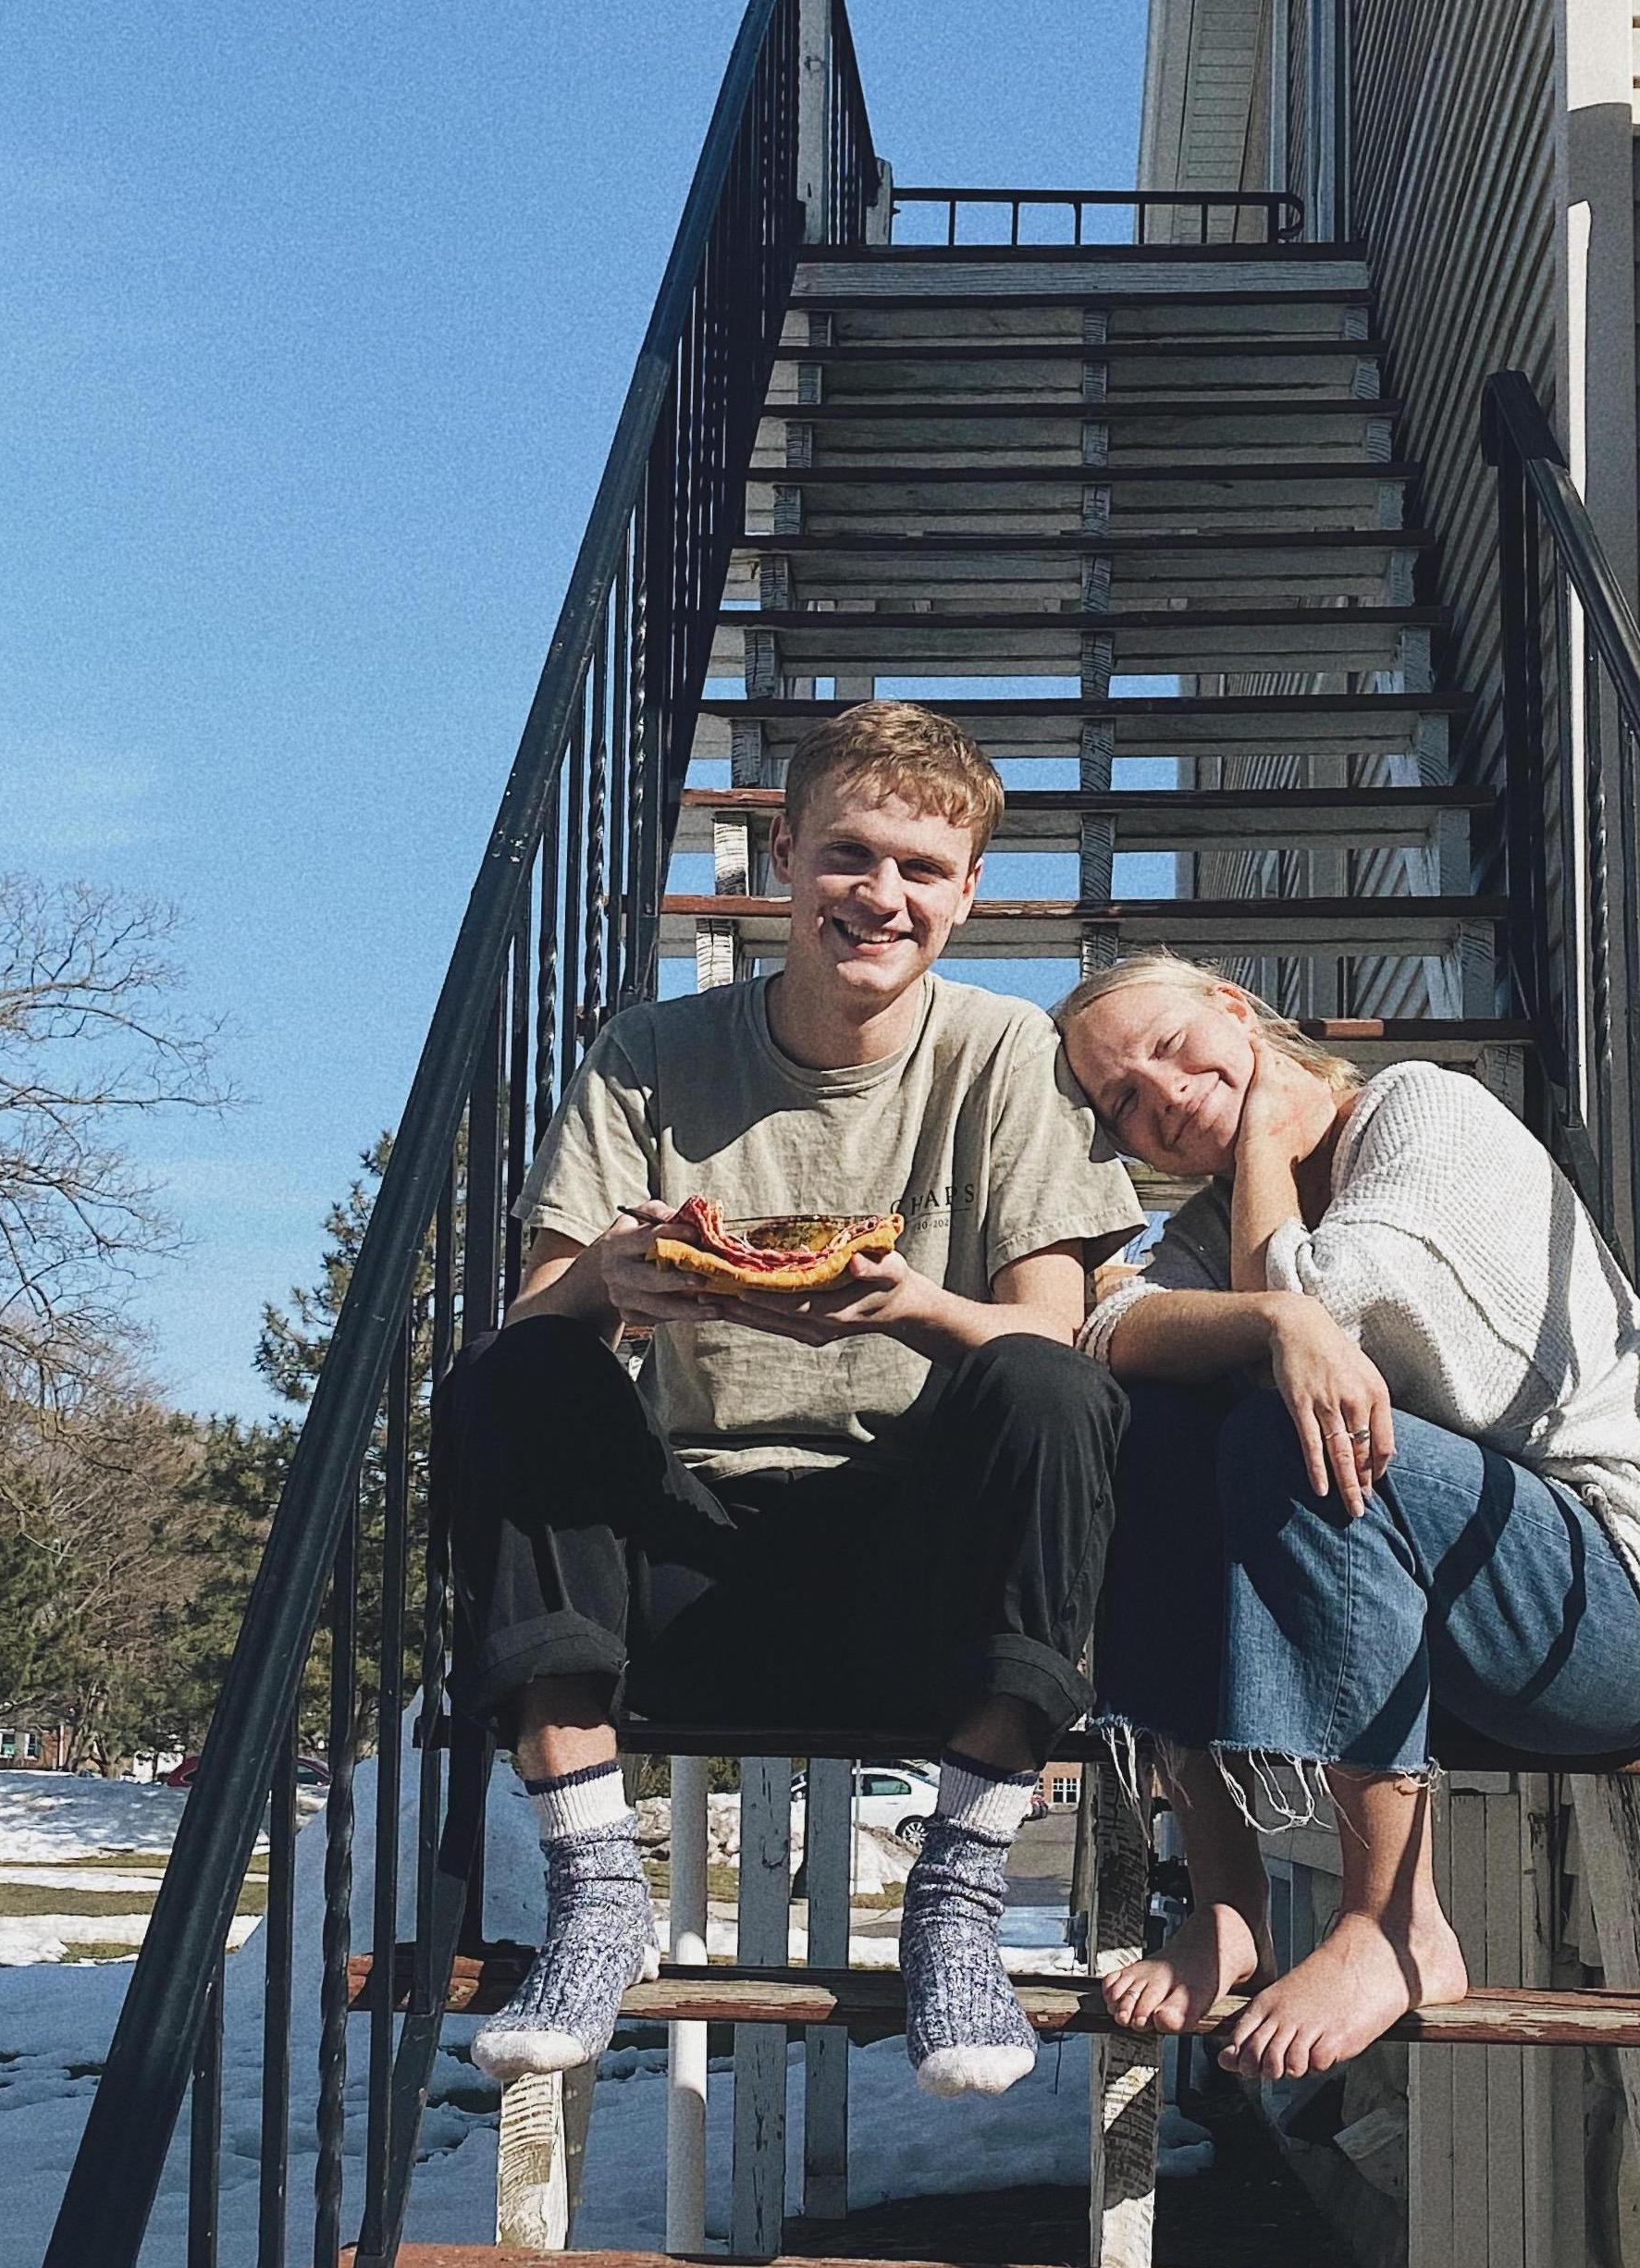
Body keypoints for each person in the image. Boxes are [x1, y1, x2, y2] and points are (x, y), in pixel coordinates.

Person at [440, 701, 1143, 2097]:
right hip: (687, 1556)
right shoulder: (650, 1051)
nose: (880, 896)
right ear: (783, 857)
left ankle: (956, 1899)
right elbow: (537, 1311)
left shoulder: (1000, 1051)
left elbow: (1049, 1332)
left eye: (922, 871)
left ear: (965, 895)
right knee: (519, 1370)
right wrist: (619, 1279)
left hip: (912, 1567)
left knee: (1050, 1390)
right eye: (849, 855)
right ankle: (593, 1890)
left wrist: (909, 1305)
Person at [1052, 954, 1640, 2082]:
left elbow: (1332, 1315)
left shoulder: (1422, 1108)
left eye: (1172, 1049)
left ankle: (1396, 1926)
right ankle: (1226, 1900)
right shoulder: (1230, 1221)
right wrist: (1261, 1304)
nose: (1164, 1097)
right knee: (1153, 1425)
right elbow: (1105, 1324)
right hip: (1462, 1610)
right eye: (1124, 1098)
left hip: (1622, 1606)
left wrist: (1268, 1167)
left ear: (1235, 1010)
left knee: (1290, 1423)